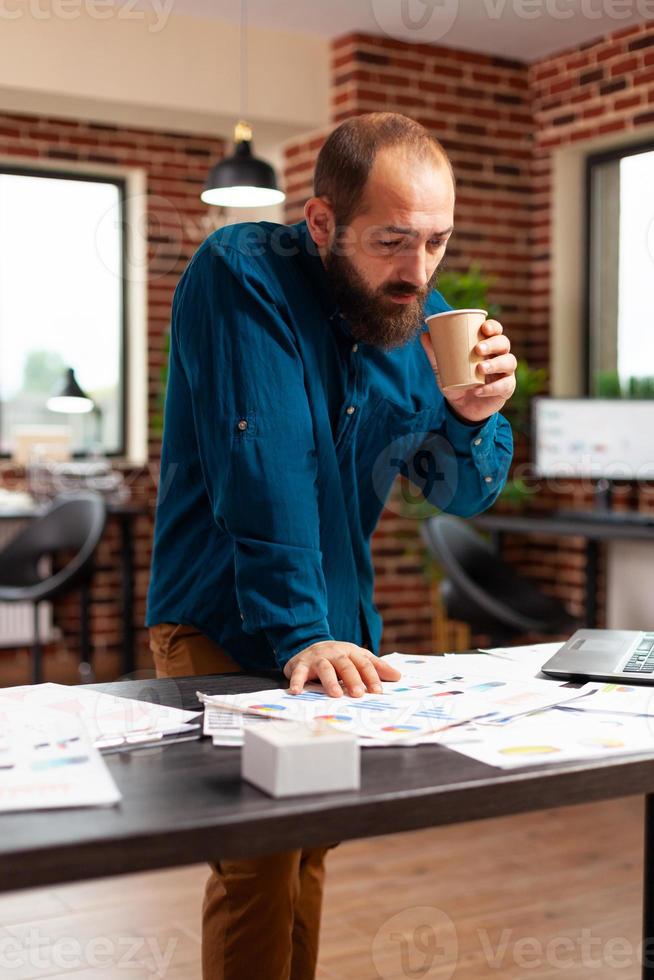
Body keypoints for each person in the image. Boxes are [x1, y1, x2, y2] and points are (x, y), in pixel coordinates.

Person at [146, 111, 515, 980]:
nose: (418, 272)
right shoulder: (242, 272)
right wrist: (300, 629)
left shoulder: (406, 325)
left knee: (310, 847)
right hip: (223, 614)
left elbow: (459, 490)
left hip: (335, 629)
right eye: (393, 241)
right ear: (320, 223)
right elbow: (263, 458)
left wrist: (475, 417)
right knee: (260, 864)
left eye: (436, 243)